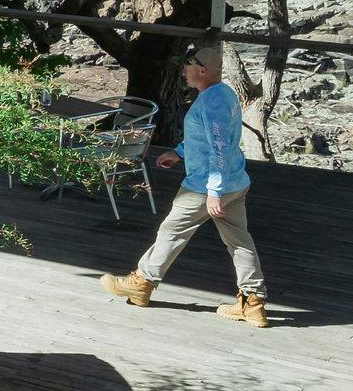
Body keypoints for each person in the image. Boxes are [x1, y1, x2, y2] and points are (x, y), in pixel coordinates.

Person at [101, 40, 266, 327]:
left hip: (207, 186)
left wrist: (214, 192)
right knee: (240, 241)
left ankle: (141, 282)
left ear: (202, 71)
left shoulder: (211, 103)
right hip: (236, 182)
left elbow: (217, 149)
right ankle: (253, 303)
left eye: (189, 67)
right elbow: (210, 138)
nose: (184, 72)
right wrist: (178, 153)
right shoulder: (224, 94)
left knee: (172, 230)